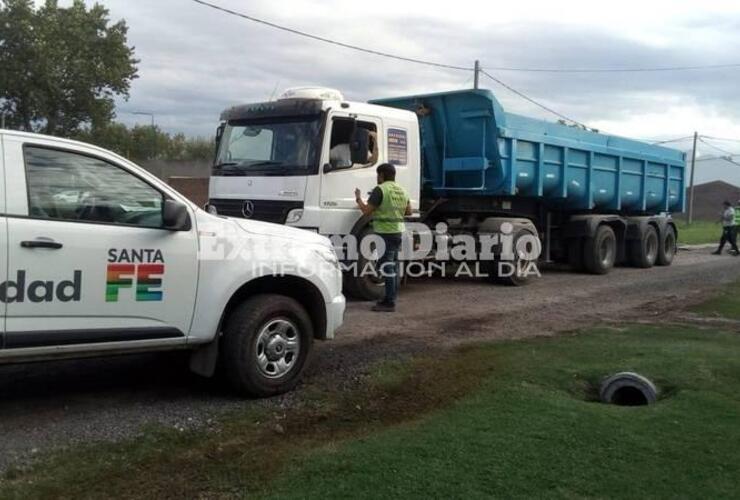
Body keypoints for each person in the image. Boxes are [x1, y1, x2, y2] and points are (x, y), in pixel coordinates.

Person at [354, 163, 412, 312]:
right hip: (397, 232)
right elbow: (409, 212)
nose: (377, 178)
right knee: (391, 265)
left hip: (384, 233)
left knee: (386, 267)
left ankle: (389, 302)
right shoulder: (402, 190)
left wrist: (358, 199)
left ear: (382, 175)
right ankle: (390, 297)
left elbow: (366, 211)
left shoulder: (380, 190)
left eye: (378, 175)